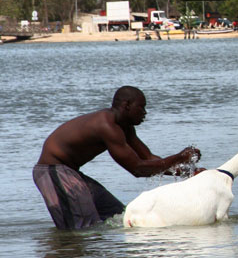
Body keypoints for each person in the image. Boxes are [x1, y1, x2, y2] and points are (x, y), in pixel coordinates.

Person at [33, 86, 202, 230]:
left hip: (70, 173)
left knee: (120, 216)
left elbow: (148, 158)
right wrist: (180, 157)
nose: (145, 113)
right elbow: (137, 169)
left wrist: (188, 173)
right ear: (126, 105)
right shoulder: (107, 125)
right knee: (82, 228)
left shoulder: (125, 128)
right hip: (53, 171)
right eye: (141, 107)